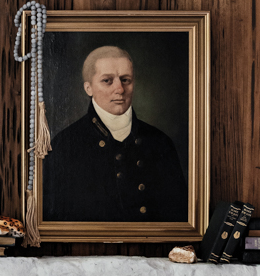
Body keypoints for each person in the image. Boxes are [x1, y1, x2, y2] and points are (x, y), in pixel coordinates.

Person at [42, 45, 187, 222]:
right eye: (107, 81)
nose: (119, 89)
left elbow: (178, 217)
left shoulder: (160, 143)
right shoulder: (64, 145)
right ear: (88, 88)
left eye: (125, 80)